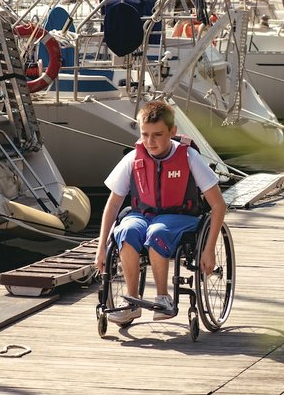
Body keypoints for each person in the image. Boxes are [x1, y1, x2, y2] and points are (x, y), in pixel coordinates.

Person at [94, 100, 226, 326]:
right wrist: (101, 247)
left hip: (180, 217)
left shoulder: (189, 157)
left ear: (172, 131)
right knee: (125, 229)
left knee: (157, 231)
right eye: (145, 134)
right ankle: (132, 301)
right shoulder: (133, 159)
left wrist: (209, 249)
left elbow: (218, 205)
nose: (150, 142)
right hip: (142, 214)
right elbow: (113, 204)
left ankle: (163, 298)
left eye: (157, 135)